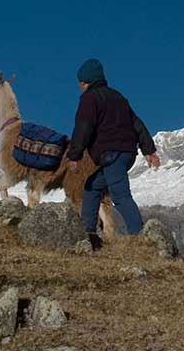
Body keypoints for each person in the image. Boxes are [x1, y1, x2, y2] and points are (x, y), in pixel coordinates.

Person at [67, 58, 160, 244]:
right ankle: (88, 233)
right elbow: (137, 124)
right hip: (126, 154)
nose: (79, 86)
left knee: (120, 195)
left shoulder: (89, 99)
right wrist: (149, 150)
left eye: (80, 82)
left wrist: (74, 155)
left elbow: (83, 127)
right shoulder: (118, 97)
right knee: (92, 187)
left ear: (86, 81)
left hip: (111, 153)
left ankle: (140, 238)